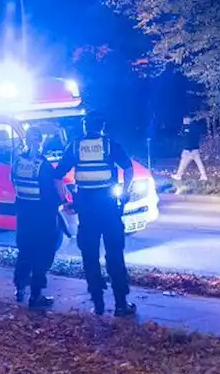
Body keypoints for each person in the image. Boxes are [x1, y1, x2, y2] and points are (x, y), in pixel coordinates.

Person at [57, 114, 135, 317]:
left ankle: (98, 303)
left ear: (85, 127)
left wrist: (66, 199)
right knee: (115, 255)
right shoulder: (110, 146)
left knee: (89, 256)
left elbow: (58, 177)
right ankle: (120, 305)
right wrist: (125, 191)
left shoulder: (74, 147)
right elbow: (128, 168)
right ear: (102, 127)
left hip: (86, 210)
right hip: (109, 208)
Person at [11, 126, 65, 310]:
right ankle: (36, 296)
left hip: (24, 217)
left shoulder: (17, 163)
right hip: (43, 218)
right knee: (43, 254)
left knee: (25, 253)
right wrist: (62, 201)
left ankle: (19, 289)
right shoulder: (43, 165)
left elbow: (15, 186)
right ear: (40, 141)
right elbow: (53, 191)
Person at [171, 116, 208, 181]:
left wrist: (184, 128)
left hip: (188, 149)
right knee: (198, 163)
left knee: (183, 163)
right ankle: (204, 176)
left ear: (188, 120)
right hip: (195, 148)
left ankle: (178, 176)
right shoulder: (195, 127)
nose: (184, 121)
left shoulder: (186, 128)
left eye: (185, 120)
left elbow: (184, 136)